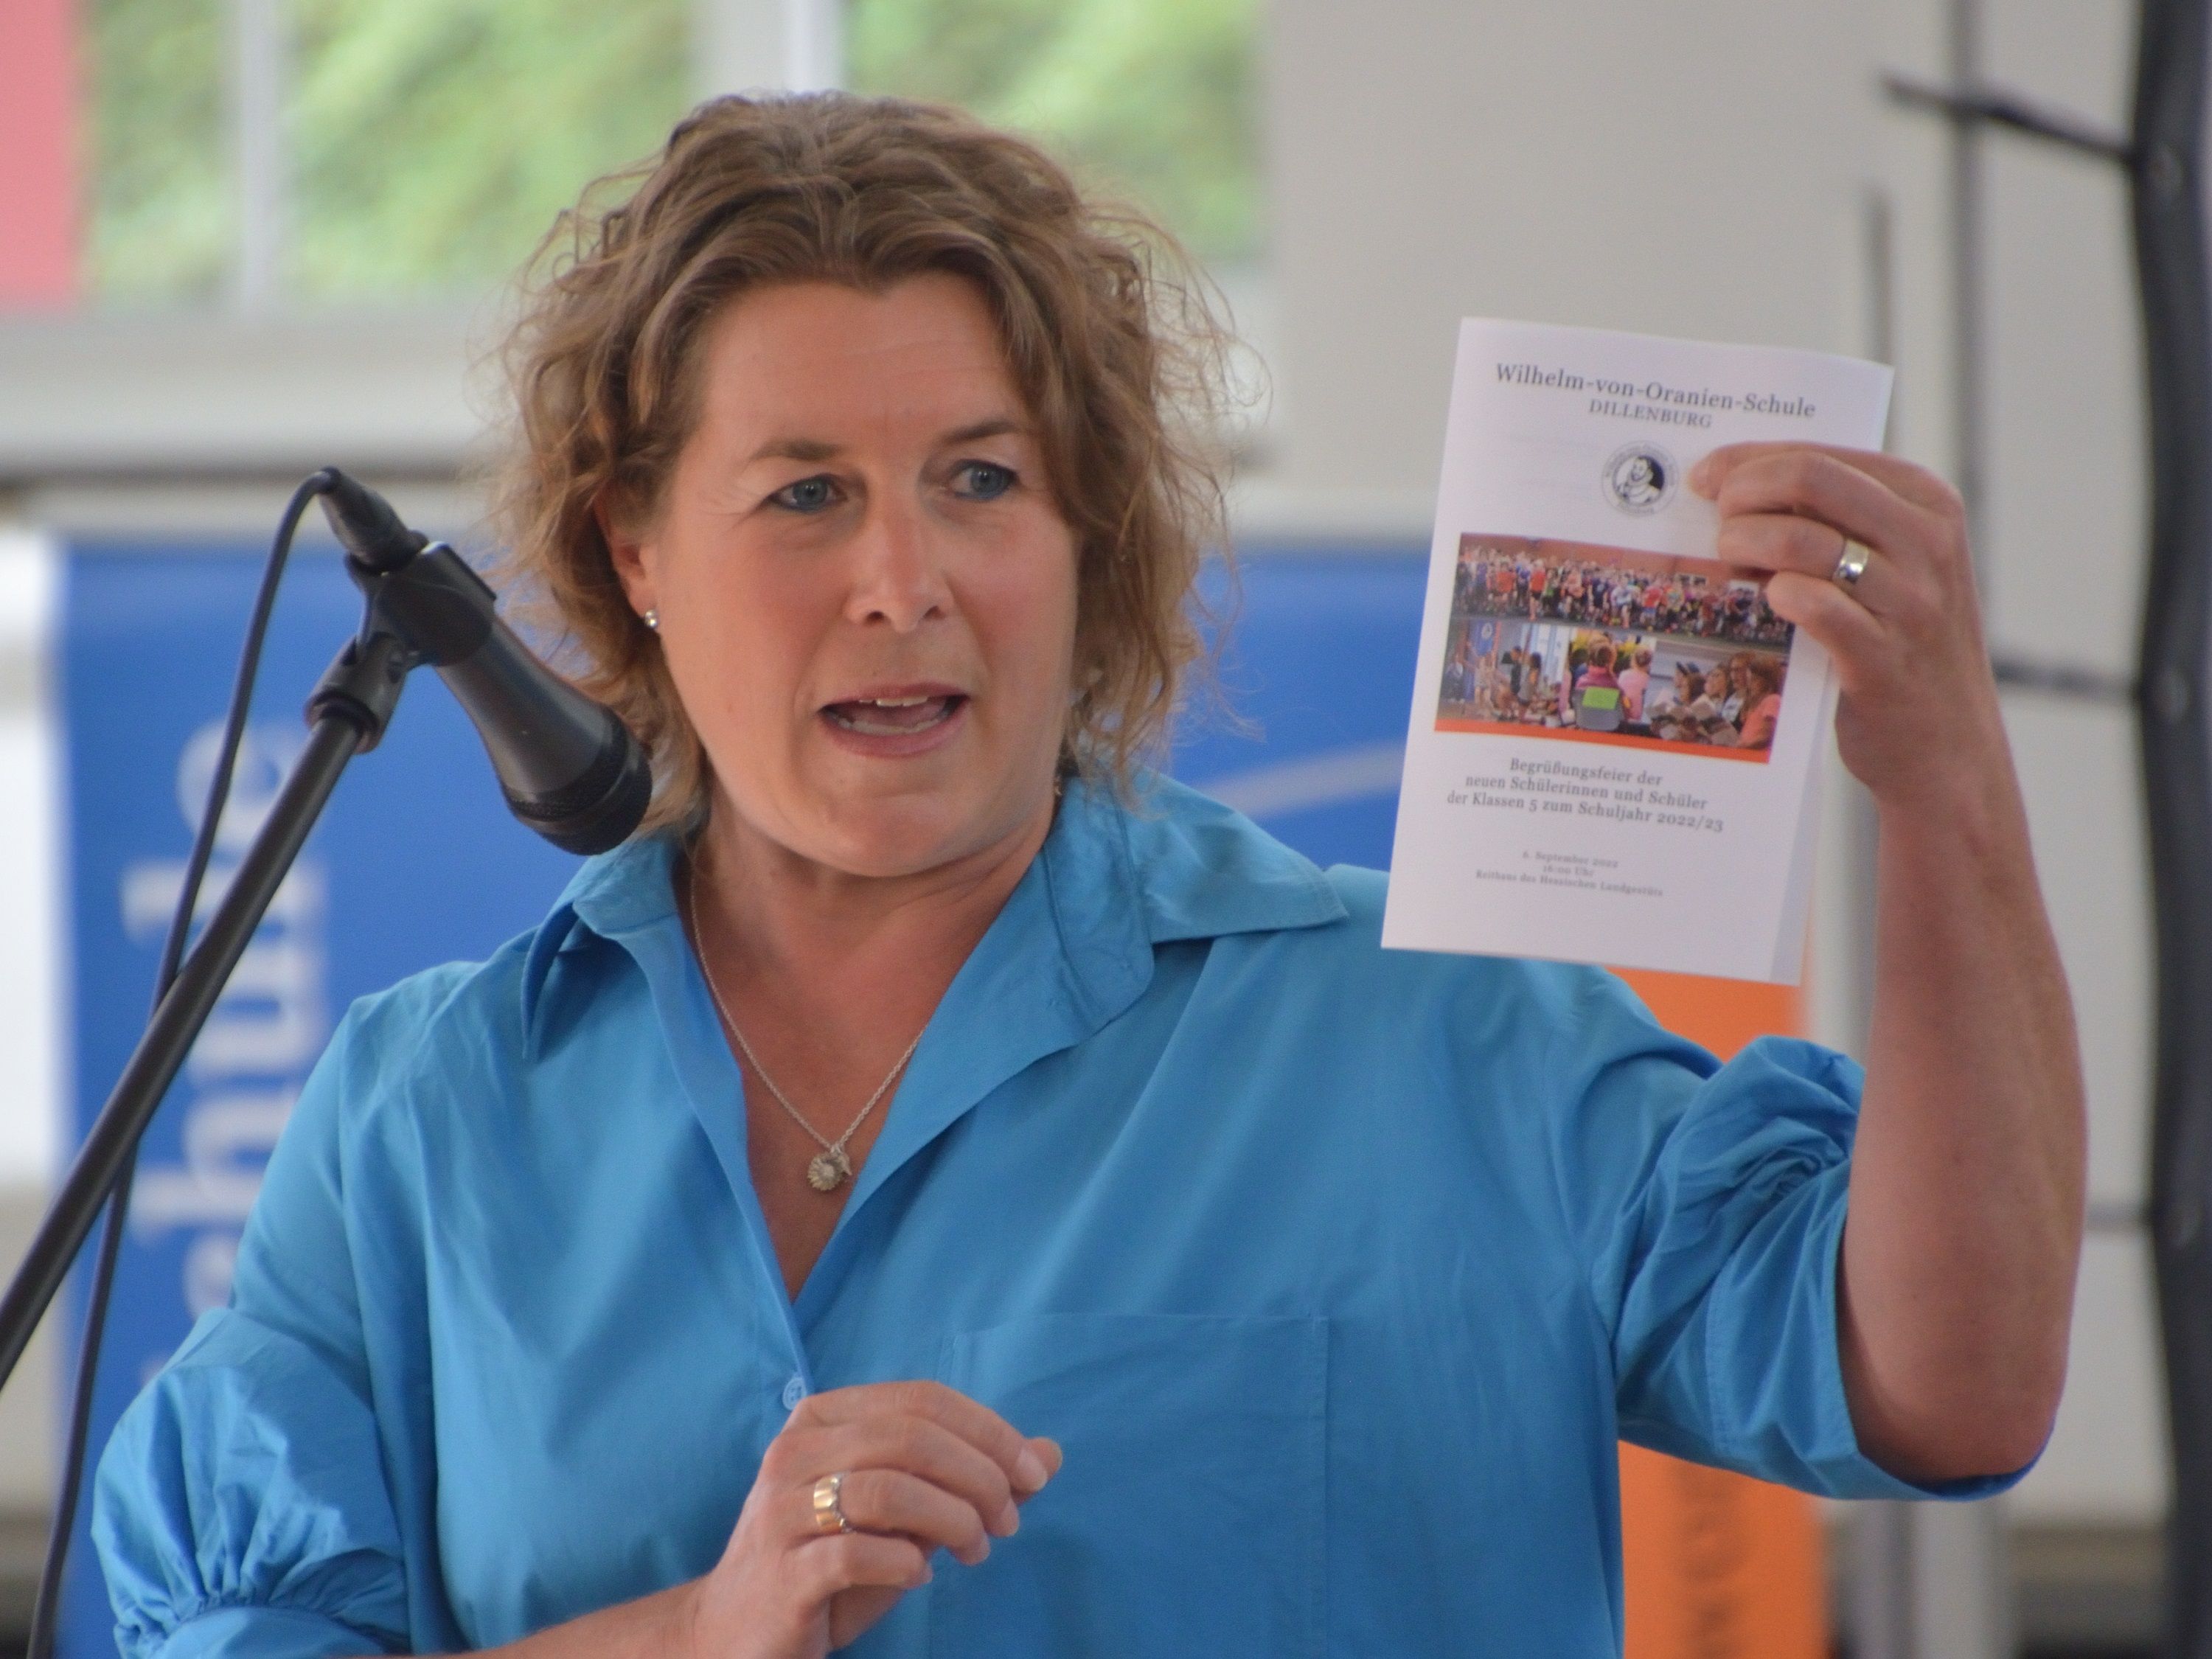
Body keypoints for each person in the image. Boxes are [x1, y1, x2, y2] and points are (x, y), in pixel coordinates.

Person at [93, 92, 2083, 1659]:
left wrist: (1946, 786)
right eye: (805, 493)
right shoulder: (423, 1118)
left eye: (980, 479)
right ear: (634, 550)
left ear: (1085, 539)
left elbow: (1951, 1387)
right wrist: (704, 1630)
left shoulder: (1441, 1033)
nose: (903, 580)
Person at [1736, 655, 1785, 751]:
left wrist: (1747, 746)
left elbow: (1768, 735)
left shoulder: (1772, 700)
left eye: (1754, 680)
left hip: (1758, 753)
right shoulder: (1757, 703)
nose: (1750, 684)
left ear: (1767, 681)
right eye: (1749, 680)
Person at [1618, 645, 1653, 724]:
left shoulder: (1623, 675)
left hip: (1623, 717)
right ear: (1649, 663)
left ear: (1633, 659)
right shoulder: (1648, 680)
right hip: (1639, 721)